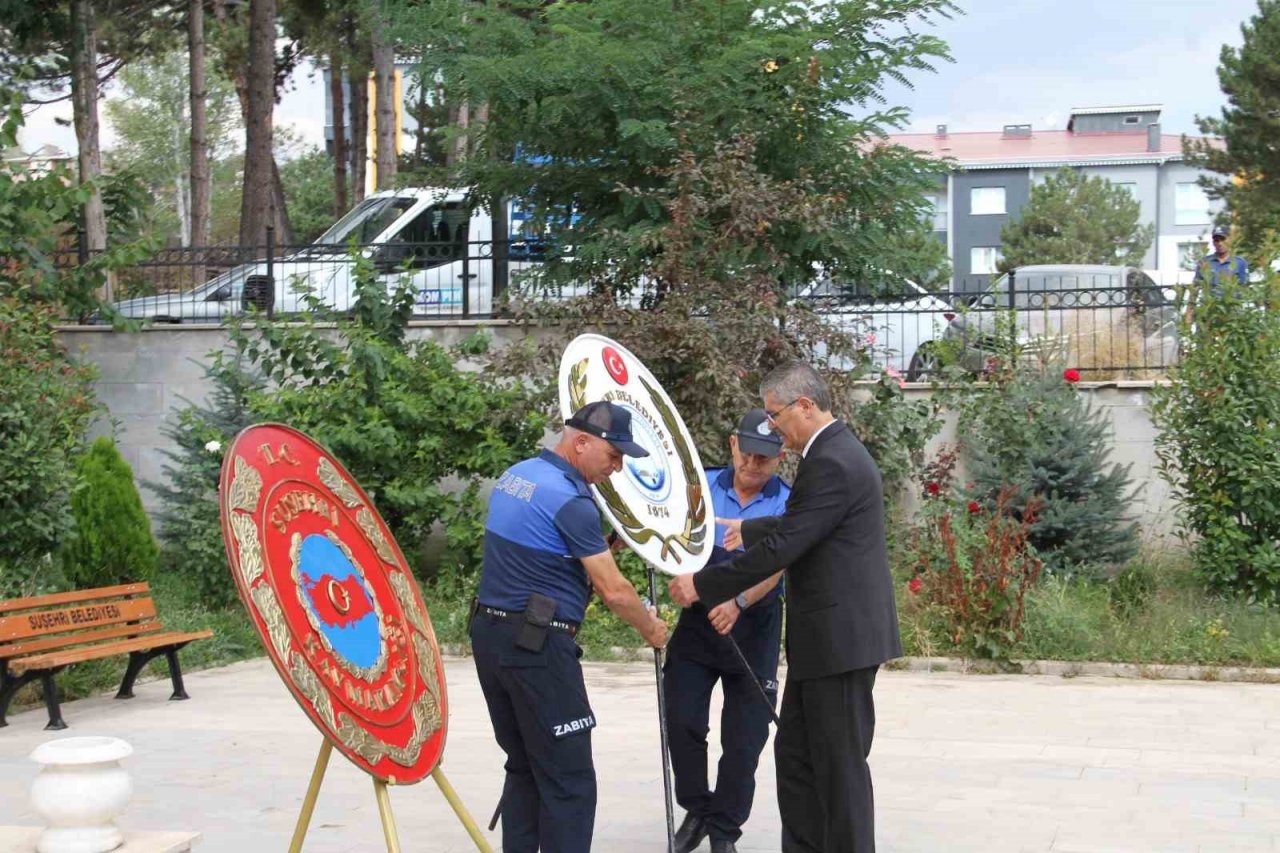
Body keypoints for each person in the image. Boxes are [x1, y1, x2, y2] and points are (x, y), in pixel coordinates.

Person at [669, 361, 902, 853]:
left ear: (804, 406)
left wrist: (704, 585)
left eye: (775, 416)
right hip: (823, 642)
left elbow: (789, 546)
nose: (772, 427)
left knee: (838, 767)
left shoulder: (832, 461)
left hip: (841, 641)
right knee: (796, 756)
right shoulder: (832, 455)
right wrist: (748, 528)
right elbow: (807, 524)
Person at [471, 400, 668, 853]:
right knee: (569, 779)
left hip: (490, 635)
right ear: (581, 441)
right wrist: (651, 630)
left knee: (523, 765)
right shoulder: (571, 499)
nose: (616, 469)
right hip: (537, 647)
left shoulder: (517, 476)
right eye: (613, 456)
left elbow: (542, 557)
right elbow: (615, 592)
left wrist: (607, 545)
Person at [665, 409, 790, 853]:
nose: (754, 466)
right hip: (698, 626)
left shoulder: (785, 502)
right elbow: (672, 539)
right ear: (733, 444)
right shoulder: (700, 487)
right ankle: (697, 808)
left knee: (744, 740)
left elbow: (775, 567)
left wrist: (738, 601)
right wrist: (677, 576)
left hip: (753, 626)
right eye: (748, 454)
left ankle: (724, 832)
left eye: (765, 460)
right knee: (681, 722)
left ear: (779, 459)